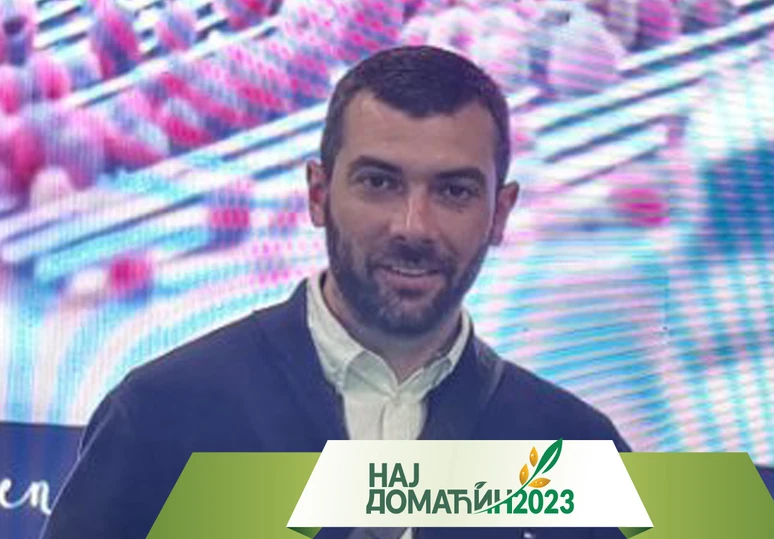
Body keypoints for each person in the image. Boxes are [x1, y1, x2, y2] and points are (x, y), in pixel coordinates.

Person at [40, 45, 631, 539]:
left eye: (454, 191)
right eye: (379, 182)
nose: (413, 226)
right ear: (318, 194)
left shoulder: (578, 453)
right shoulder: (161, 415)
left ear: (500, 213)